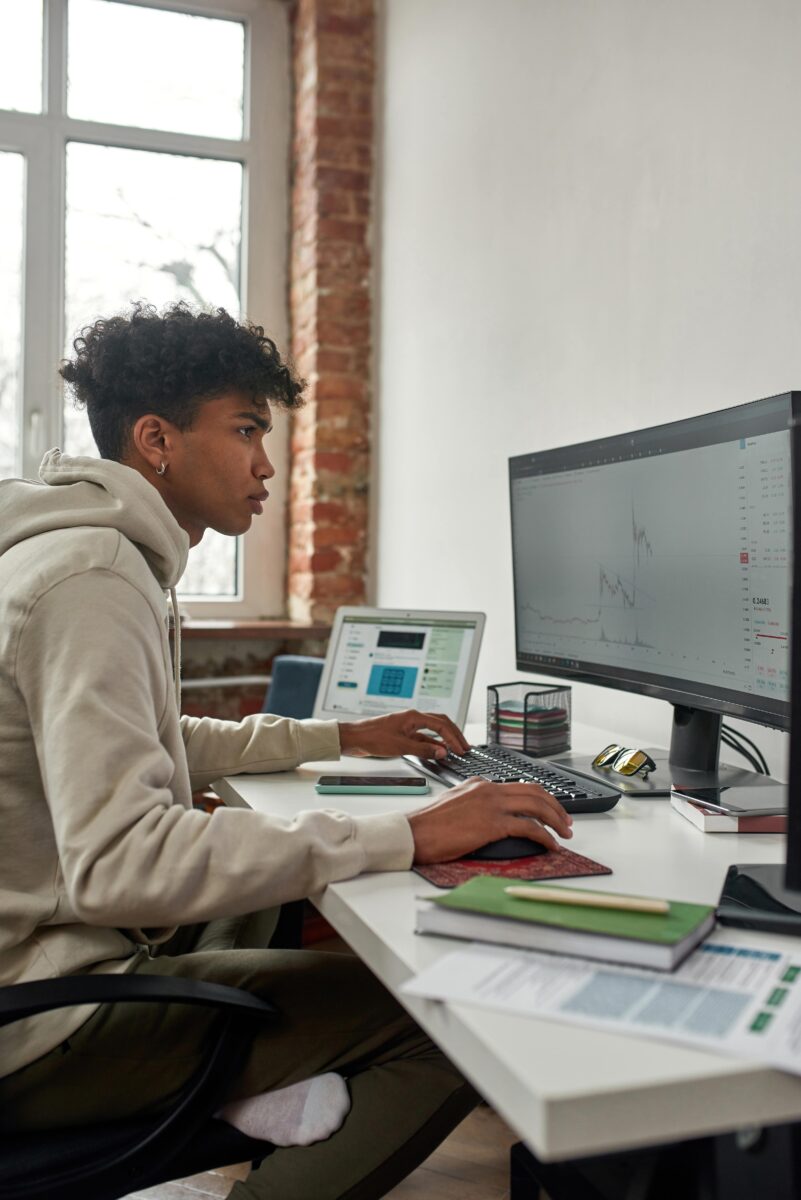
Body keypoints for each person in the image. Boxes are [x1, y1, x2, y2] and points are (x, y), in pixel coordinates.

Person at [0, 301, 572, 1199]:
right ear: (156, 439)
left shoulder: (87, 554)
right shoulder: (94, 579)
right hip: (37, 1023)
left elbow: (160, 739)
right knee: (455, 1019)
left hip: (49, 957)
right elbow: (122, 862)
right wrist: (411, 834)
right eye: (244, 431)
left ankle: (260, 1093)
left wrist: (341, 736)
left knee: (265, 877)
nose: (267, 465)